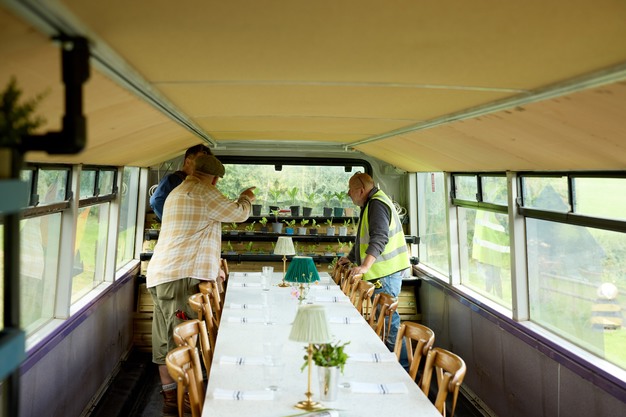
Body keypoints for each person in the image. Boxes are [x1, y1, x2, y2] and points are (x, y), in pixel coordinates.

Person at [146, 154, 255, 416]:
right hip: (181, 277)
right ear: (215, 179)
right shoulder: (204, 193)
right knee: (184, 343)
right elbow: (239, 214)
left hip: (161, 275)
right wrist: (246, 198)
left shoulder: (178, 192)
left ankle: (171, 399)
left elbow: (196, 234)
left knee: (164, 342)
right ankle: (186, 401)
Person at [338, 172, 410, 354]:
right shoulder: (371, 203)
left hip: (385, 274)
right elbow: (363, 238)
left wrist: (364, 266)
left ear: (361, 190)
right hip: (383, 273)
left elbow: (379, 238)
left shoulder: (377, 204)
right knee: (385, 323)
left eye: (350, 190)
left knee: (389, 324)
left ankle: (401, 365)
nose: (348, 194)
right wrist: (351, 258)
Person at [149, 143, 212, 221]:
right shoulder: (173, 179)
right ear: (188, 162)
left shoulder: (195, 183)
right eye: (200, 162)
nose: (202, 166)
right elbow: (156, 201)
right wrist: (174, 221)